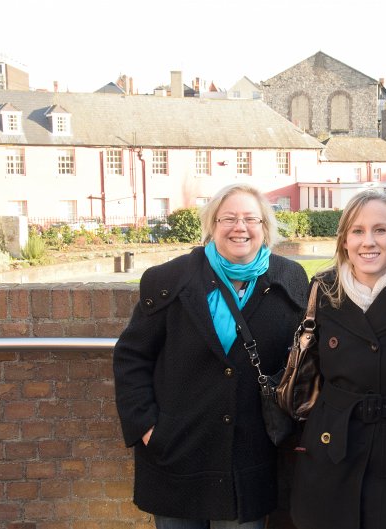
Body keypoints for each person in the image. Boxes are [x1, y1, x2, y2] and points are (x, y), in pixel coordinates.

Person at [113, 183, 309, 529]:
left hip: (248, 458)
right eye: (228, 218)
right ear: (212, 225)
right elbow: (132, 356)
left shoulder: (289, 279)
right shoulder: (169, 279)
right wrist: (146, 427)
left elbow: (303, 360)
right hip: (176, 451)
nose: (240, 227)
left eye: (251, 219)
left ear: (266, 227)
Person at [290, 190, 386, 529]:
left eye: (380, 230)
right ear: (344, 241)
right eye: (357, 231)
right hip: (332, 443)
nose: (367, 242)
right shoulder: (324, 291)